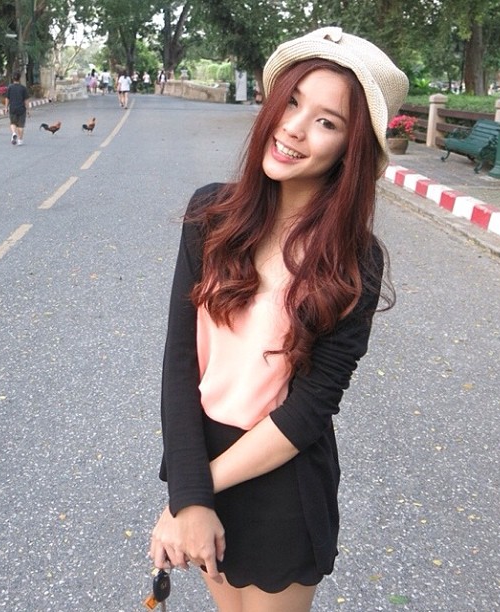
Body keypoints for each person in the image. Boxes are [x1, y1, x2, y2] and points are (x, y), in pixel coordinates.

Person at [149, 27, 409, 611]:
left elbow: (309, 409)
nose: (294, 127)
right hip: (203, 457)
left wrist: (191, 496)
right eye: (291, 102)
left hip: (282, 479)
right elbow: (179, 362)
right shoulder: (211, 215)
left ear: (350, 148)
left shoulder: (354, 263)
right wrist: (190, 494)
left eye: (326, 121)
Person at [4, 71, 30, 146]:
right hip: (21, 109)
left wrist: (6, 107)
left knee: (13, 123)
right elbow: (26, 100)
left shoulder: (10, 87)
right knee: (20, 125)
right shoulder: (23, 88)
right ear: (20, 78)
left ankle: (14, 133)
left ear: (13, 78)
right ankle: (20, 140)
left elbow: (7, 98)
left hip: (12, 108)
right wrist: (28, 110)